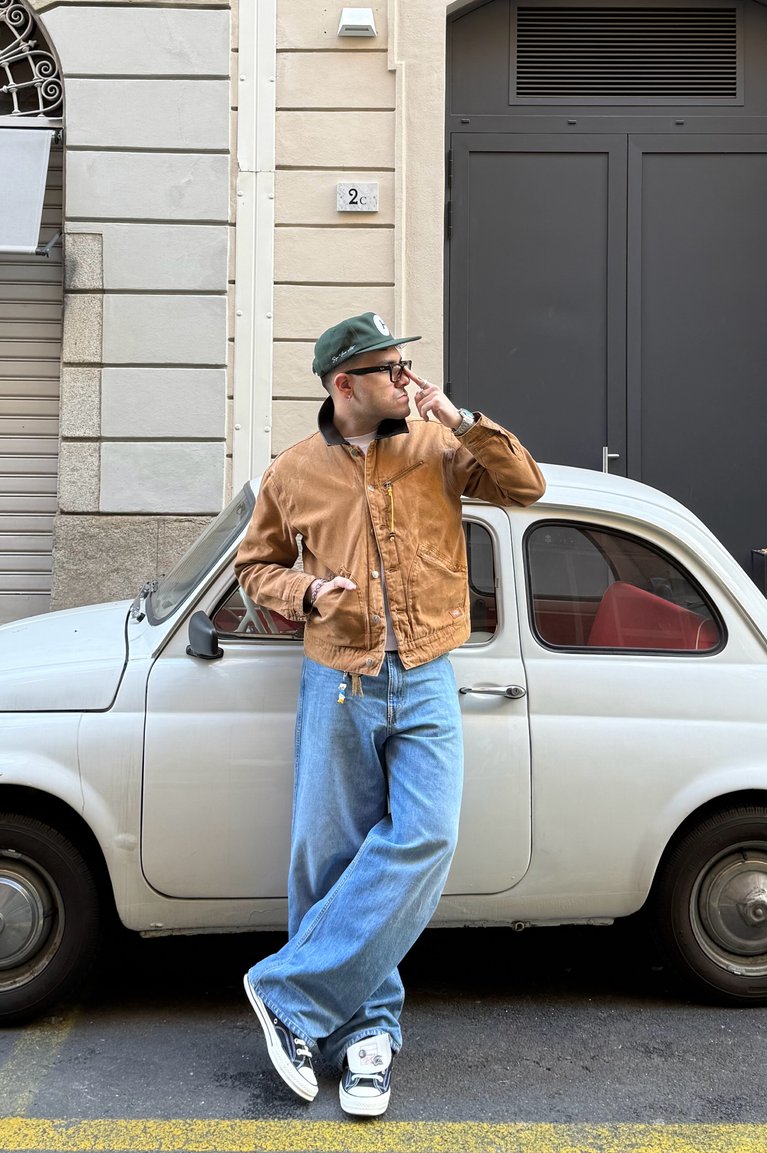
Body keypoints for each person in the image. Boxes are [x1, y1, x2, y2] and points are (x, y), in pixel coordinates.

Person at [235, 311, 545, 1117]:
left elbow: (525, 486)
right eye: (389, 370)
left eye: (407, 367)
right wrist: (303, 591)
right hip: (338, 676)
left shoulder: (438, 446)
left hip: (428, 670)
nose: (405, 379)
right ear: (345, 384)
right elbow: (255, 566)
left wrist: (456, 414)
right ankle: (367, 1035)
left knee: (426, 834)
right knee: (329, 856)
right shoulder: (293, 472)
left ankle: (288, 996)